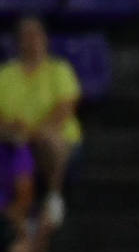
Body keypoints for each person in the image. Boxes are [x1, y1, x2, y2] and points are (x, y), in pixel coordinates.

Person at [0, 16, 81, 230]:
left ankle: (54, 197)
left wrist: (32, 133)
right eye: (25, 36)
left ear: (45, 39)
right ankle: (17, 212)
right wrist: (10, 129)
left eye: (36, 34)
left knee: (52, 141)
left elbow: (64, 110)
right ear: (18, 42)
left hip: (49, 138)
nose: (31, 40)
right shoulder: (6, 75)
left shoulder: (59, 70)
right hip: (14, 139)